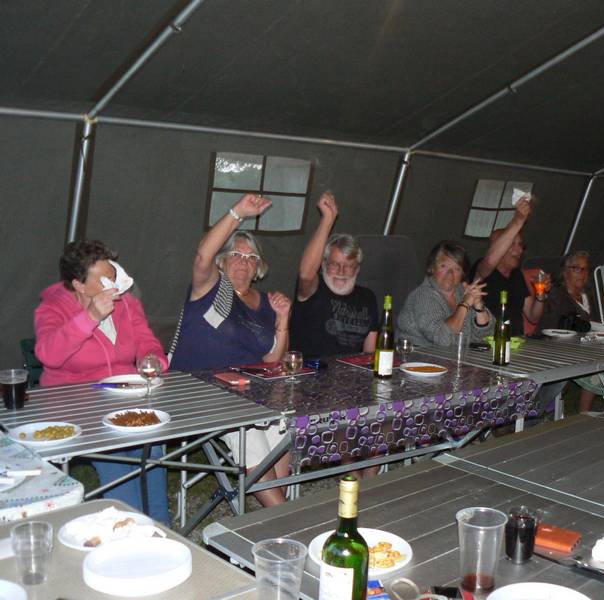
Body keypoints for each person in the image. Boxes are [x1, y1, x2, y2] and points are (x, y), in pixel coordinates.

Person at [34, 240, 170, 523]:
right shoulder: (53, 308)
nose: (114, 284)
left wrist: (153, 359)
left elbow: (146, 341)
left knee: (152, 450)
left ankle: (159, 526)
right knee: (116, 456)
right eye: (104, 279)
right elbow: (48, 354)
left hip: (124, 398)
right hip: (76, 406)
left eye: (113, 274)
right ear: (79, 285)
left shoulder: (126, 303)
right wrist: (90, 317)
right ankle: (127, 528)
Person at [170, 193, 292, 507]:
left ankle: (276, 512)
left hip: (249, 391)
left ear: (259, 267)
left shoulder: (267, 303)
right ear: (223, 260)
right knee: (248, 432)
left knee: (283, 426)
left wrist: (283, 321)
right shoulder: (210, 287)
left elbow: (272, 363)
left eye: (251, 258)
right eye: (236, 254)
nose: (243, 262)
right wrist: (238, 212)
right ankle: (286, 517)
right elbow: (202, 255)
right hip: (199, 389)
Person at [290, 191, 379, 358]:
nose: (341, 271)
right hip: (310, 371)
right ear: (323, 264)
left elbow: (370, 353)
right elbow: (306, 274)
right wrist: (327, 219)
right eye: (335, 264)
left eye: (349, 266)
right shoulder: (314, 290)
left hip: (351, 372)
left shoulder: (367, 298)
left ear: (357, 269)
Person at [472, 196, 546, 336]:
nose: (519, 250)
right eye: (512, 244)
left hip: (516, 342)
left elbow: (533, 317)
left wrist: (540, 294)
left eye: (520, 245)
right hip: (488, 342)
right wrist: (518, 221)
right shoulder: (482, 270)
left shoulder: (517, 275)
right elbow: (489, 262)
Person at [534, 251, 598, 412]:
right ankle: (584, 412)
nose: (582, 273)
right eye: (577, 268)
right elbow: (550, 328)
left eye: (585, 269)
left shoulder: (588, 295)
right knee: (598, 361)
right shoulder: (557, 294)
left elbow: (595, 323)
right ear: (565, 271)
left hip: (585, 345)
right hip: (558, 347)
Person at [397, 241, 494, 346]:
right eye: (444, 266)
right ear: (432, 268)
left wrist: (478, 306)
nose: (450, 273)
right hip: (415, 354)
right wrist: (465, 304)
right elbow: (443, 339)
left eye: (457, 269)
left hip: (454, 354)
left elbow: (487, 336)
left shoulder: (463, 292)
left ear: (462, 274)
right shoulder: (422, 296)